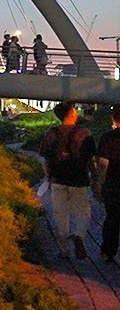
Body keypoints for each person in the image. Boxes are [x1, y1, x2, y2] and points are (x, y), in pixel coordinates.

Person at [39, 101, 97, 259]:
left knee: (60, 214)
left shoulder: (51, 133)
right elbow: (91, 160)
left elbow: (46, 161)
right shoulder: (84, 133)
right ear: (71, 113)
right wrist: (95, 178)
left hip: (58, 179)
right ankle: (78, 235)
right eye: (75, 110)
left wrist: (48, 177)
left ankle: (64, 250)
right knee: (83, 211)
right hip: (79, 179)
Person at [96, 104, 120, 264]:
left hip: (113, 184)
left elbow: (103, 163)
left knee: (112, 218)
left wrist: (99, 183)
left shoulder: (107, 138)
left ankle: (108, 251)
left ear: (114, 118)